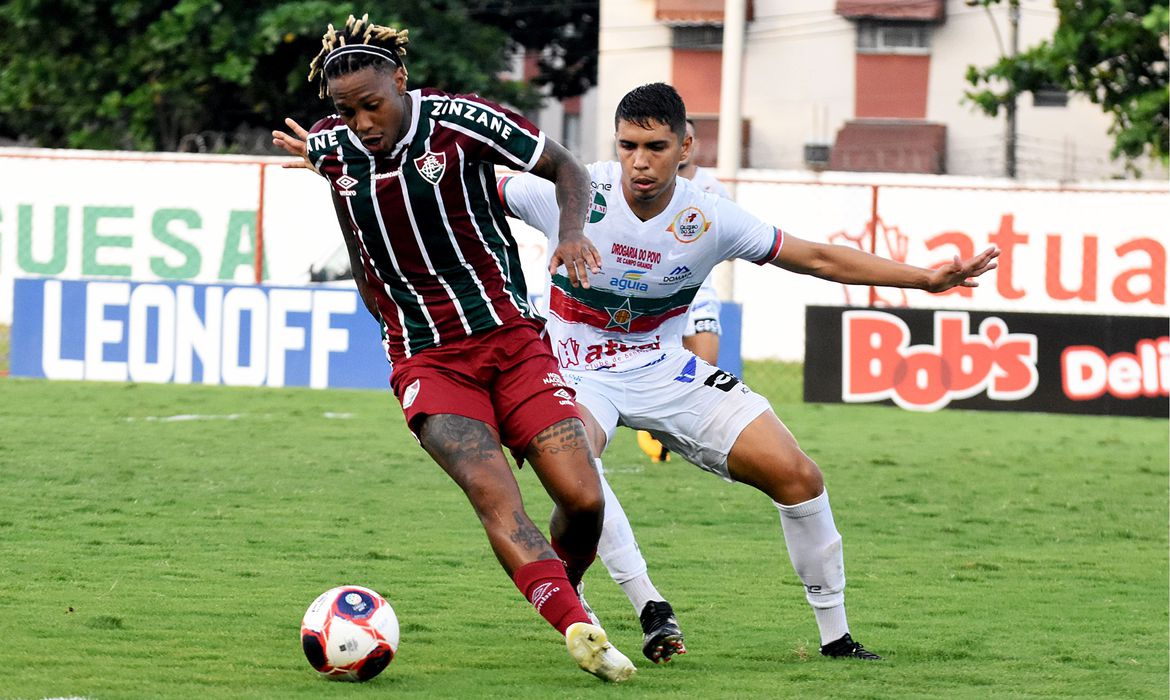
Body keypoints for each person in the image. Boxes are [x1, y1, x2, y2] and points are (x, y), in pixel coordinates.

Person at [497, 82, 999, 664]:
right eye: (628, 144)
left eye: (656, 146)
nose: (640, 160)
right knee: (577, 468)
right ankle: (637, 602)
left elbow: (817, 257)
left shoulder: (709, 216)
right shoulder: (572, 191)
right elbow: (468, 181)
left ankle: (837, 639)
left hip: (663, 366)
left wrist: (925, 279)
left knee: (798, 475)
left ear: (686, 145)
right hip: (575, 367)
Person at [270, 14, 635, 682]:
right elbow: (353, 229)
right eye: (345, 112)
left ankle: (563, 588)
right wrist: (381, 316)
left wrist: (574, 233)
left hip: (512, 342)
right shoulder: (332, 148)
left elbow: (567, 167)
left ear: (400, 80)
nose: (362, 123)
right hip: (429, 362)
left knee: (583, 500)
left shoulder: (465, 122)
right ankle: (576, 625)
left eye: (372, 105)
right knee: (496, 497)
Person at [637, 118, 725, 462]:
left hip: (699, 289)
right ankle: (648, 424)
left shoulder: (711, 187)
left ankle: (678, 432)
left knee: (705, 366)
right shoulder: (645, 187)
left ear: (691, 144)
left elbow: (726, 239)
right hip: (655, 290)